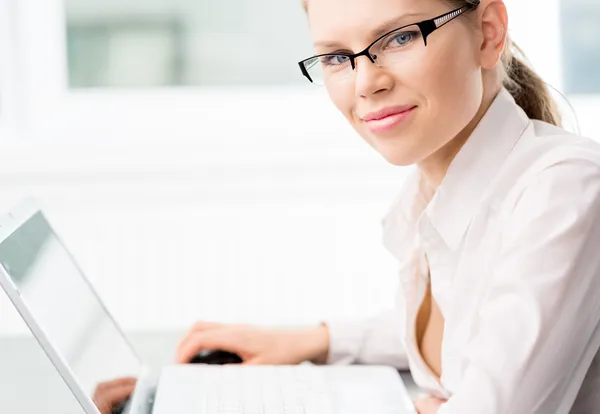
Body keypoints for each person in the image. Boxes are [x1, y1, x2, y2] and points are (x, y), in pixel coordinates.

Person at [177, 0, 600, 413]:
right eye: (338, 57)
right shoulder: (431, 195)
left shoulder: (565, 189)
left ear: (488, 31)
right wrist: (315, 340)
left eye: (400, 37)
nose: (365, 83)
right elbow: (472, 326)